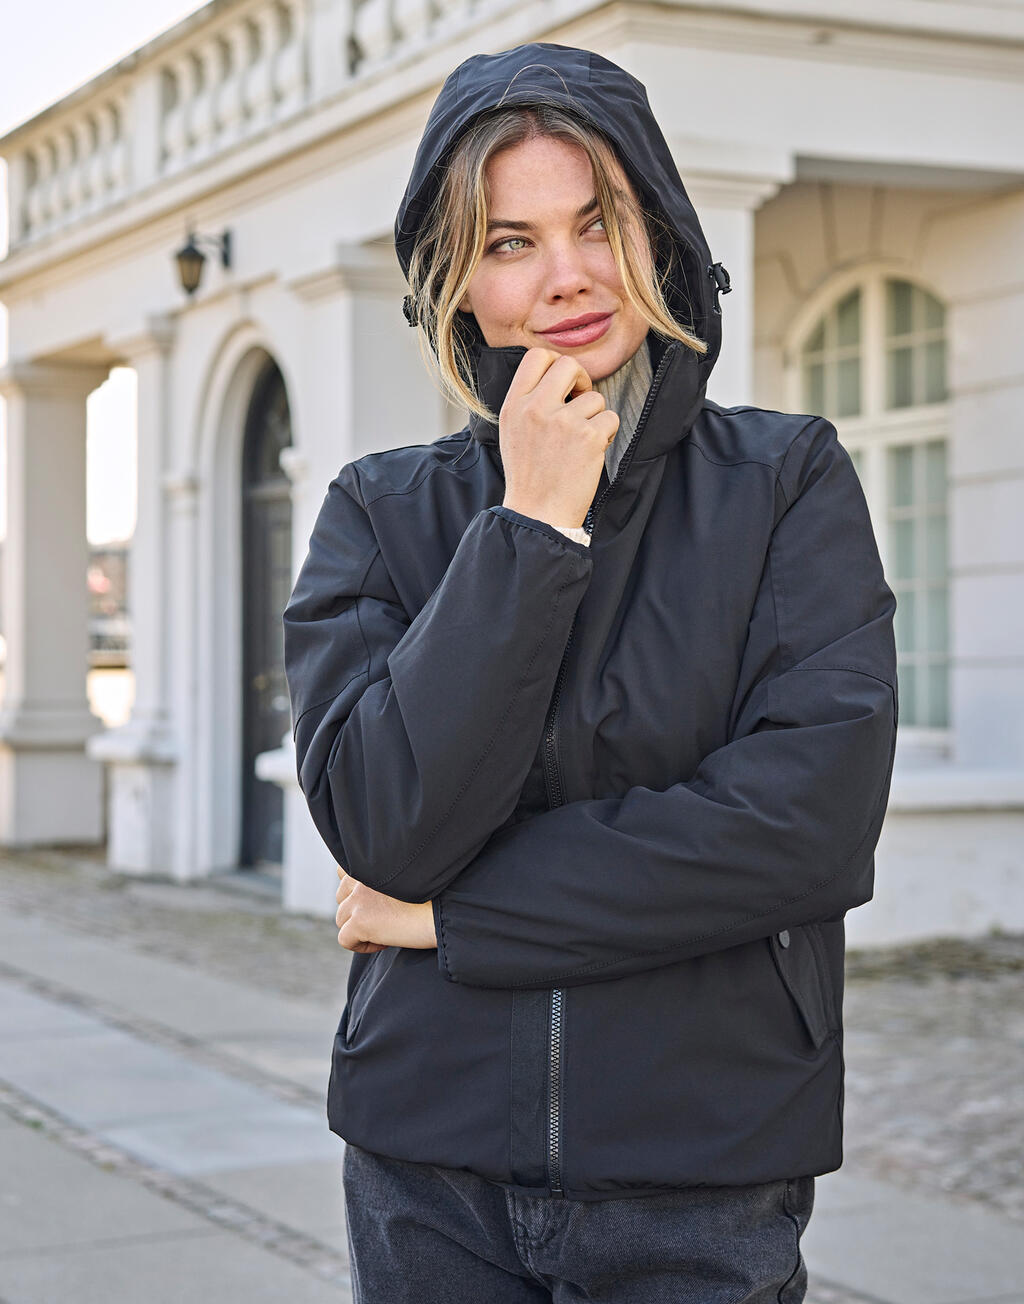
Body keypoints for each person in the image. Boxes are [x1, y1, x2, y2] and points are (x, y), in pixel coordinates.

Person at [282, 41, 898, 1304]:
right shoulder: (380, 510)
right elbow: (384, 826)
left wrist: (455, 918)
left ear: (658, 232)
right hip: (427, 1169)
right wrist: (531, 527)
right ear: (457, 285)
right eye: (509, 242)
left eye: (597, 223)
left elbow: (800, 830)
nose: (565, 276)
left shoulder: (785, 482)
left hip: (703, 1168)